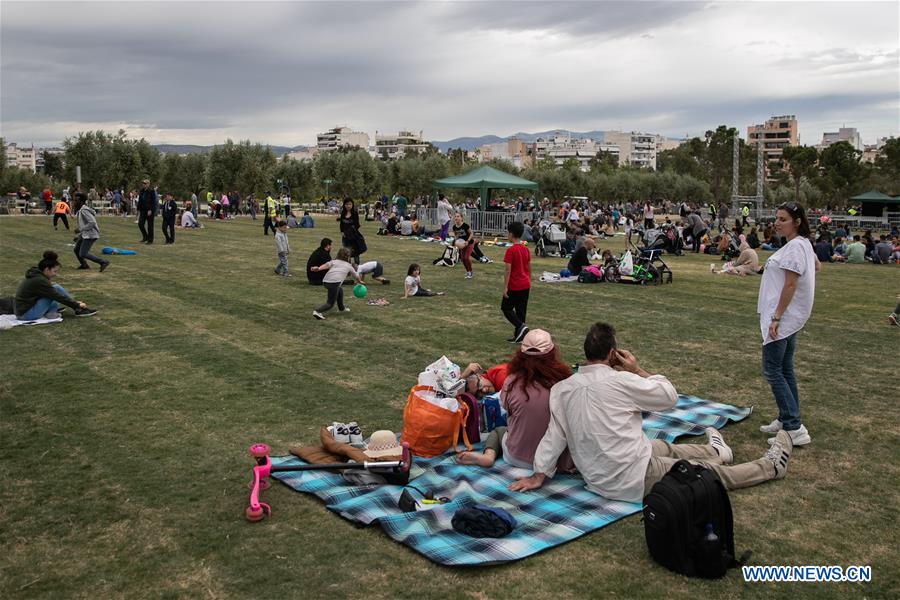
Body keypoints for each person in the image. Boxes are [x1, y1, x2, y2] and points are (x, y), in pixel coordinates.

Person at [508, 323, 795, 500]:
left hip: (599, 477)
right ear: (612, 354)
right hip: (632, 477)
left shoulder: (563, 389)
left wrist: (539, 474)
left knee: (659, 446)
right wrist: (637, 370)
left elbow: (553, 437)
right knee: (713, 476)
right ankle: (770, 467)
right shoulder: (621, 380)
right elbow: (669, 397)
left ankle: (717, 451)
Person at [456, 329, 576, 470]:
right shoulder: (565, 383)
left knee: (499, 431)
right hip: (555, 461)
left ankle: (489, 455)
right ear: (552, 353)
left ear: (521, 354)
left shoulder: (511, 382)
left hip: (517, 457)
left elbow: (508, 410)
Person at [757, 202, 817, 447]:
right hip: (790, 317)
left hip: (783, 318)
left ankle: (794, 427)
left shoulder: (794, 247)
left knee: (772, 370)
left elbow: (790, 284)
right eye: (777, 218)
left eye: (783, 219)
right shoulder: (800, 245)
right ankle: (786, 418)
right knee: (784, 369)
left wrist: (777, 316)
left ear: (797, 221)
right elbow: (816, 266)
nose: (777, 222)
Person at [14, 251, 97, 319]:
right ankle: (78, 309)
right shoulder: (39, 280)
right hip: (26, 315)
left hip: (24, 310)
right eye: (55, 271)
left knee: (54, 288)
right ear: (47, 269)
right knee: (56, 289)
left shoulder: (37, 275)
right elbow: (57, 296)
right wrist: (76, 304)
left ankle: (52, 311)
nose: (56, 274)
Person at [310, 247, 363, 319]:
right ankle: (317, 311)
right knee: (330, 303)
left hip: (325, 281)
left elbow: (326, 265)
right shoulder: (349, 266)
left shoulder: (334, 261)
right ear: (348, 257)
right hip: (334, 283)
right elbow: (356, 275)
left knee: (340, 290)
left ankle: (341, 308)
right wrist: (360, 281)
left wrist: (318, 268)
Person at [74, 198, 110, 272]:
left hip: (91, 234)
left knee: (83, 253)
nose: (74, 203)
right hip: (85, 233)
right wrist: (79, 235)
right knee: (76, 249)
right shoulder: (81, 210)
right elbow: (84, 223)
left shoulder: (84, 210)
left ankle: (103, 262)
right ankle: (84, 265)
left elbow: (92, 222)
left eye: (76, 201)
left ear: (81, 202)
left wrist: (80, 229)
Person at [338, 199, 365, 265]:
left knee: (356, 252)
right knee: (346, 252)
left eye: (350, 204)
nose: (348, 206)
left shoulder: (355, 213)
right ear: (344, 205)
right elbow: (341, 224)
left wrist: (350, 231)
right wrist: (342, 232)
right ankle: (347, 267)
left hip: (354, 236)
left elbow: (357, 225)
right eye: (347, 204)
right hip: (345, 237)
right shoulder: (343, 213)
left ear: (352, 205)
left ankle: (357, 267)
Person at [451, 212, 476, 279]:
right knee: (462, 259)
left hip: (469, 243)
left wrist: (467, 241)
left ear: (462, 218)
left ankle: (470, 272)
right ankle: (468, 271)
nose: (456, 218)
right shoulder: (454, 227)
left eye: (458, 216)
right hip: (461, 244)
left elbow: (471, 234)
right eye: (455, 216)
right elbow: (456, 236)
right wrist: (455, 242)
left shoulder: (465, 225)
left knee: (466, 258)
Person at [137, 178, 157, 243]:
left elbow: (154, 202)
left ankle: (150, 240)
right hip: (143, 210)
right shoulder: (142, 191)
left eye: (145, 183)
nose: (143, 184)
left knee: (150, 226)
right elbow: (140, 201)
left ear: (148, 184)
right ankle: (145, 236)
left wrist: (151, 209)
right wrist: (138, 209)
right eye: (143, 183)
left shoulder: (151, 191)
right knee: (140, 224)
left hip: (149, 211)